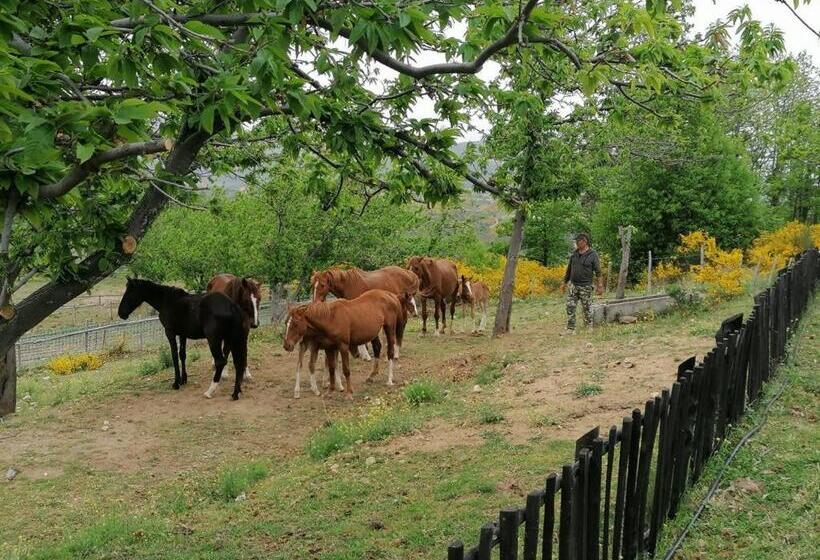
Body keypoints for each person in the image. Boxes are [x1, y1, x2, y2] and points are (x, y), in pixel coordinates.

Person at [560, 233, 604, 333]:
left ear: (584, 241)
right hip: (573, 286)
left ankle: (589, 326)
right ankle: (570, 328)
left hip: (586, 286)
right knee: (570, 306)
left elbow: (598, 272)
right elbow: (569, 270)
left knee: (587, 307)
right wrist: (564, 283)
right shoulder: (574, 255)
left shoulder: (593, 255)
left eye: (578, 242)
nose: (576, 243)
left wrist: (600, 286)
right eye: (576, 242)